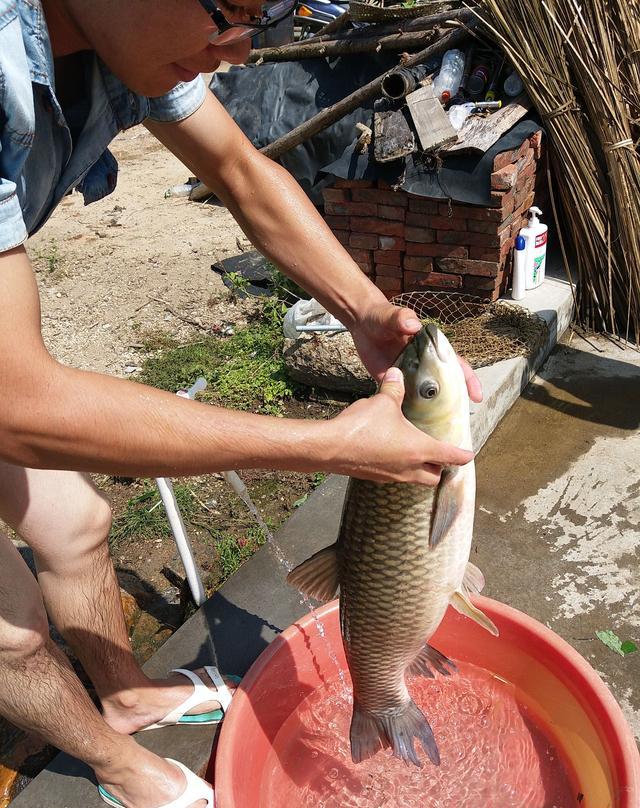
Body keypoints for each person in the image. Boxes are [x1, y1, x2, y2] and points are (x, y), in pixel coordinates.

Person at [0, 1, 481, 805]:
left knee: (76, 525)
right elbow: (17, 403)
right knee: (10, 630)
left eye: (271, 15)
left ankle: (124, 696)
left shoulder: (130, 43)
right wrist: (326, 446)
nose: (241, 48)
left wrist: (367, 315)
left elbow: (242, 173)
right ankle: (121, 771)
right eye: (230, 11)